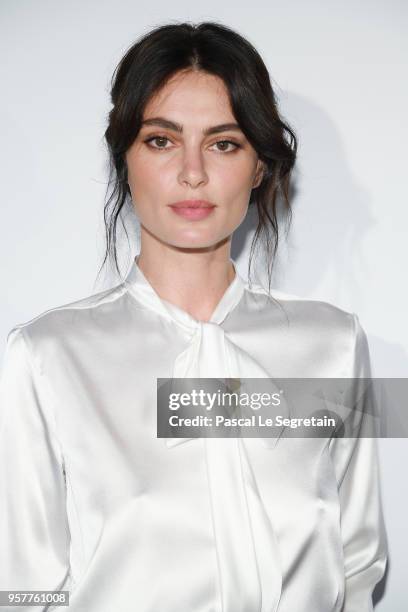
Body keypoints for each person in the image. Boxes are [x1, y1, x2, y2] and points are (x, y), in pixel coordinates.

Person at [0, 20, 387, 612]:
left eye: (223, 143)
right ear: (123, 159)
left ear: (258, 166)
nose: (193, 172)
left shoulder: (333, 343)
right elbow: (22, 590)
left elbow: (358, 563)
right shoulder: (47, 356)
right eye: (161, 140)